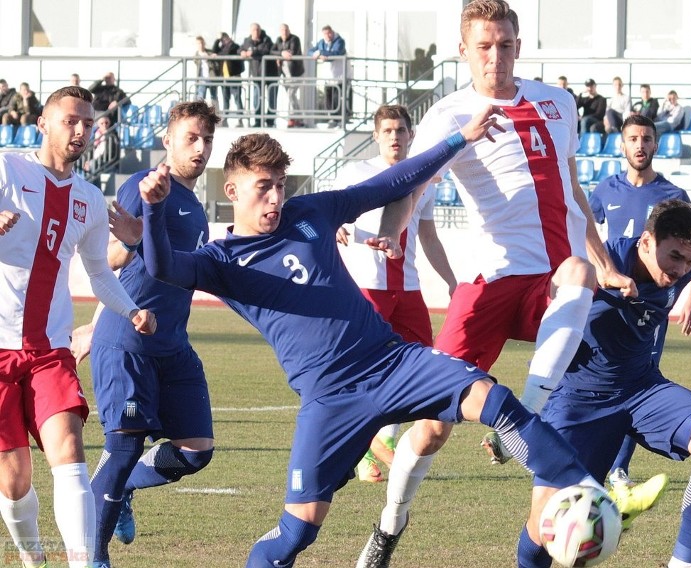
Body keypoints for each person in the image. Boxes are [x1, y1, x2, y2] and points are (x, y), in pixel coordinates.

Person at [139, 117, 611, 568]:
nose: (275, 198)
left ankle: (587, 490)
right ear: (233, 190)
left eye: (281, 184)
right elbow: (163, 267)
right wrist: (154, 209)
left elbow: (388, 186)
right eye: (263, 187)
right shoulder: (218, 261)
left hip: (391, 362)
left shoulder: (309, 213)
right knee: (298, 531)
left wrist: (458, 141)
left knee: (495, 399)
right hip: (329, 399)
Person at [356, 3, 639, 566]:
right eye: (484, 46)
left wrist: (603, 261)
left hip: (551, 283)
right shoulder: (449, 114)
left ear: (518, 44)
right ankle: (389, 525)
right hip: (486, 286)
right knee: (433, 430)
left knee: (580, 276)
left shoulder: (557, 104)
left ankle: (525, 415)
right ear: (464, 51)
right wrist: (391, 229)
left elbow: (572, 187)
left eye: (505, 44)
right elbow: (411, 185)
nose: (496, 56)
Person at [519, 199, 691, 568]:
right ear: (645, 241)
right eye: (674, 256)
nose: (681, 269)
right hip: (578, 401)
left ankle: (683, 564)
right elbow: (562, 278)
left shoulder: (686, 262)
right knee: (546, 527)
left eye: (689, 261)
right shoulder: (605, 260)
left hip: (643, 390)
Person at [0, 86, 155, 568]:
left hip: (51, 350)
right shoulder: (6, 168)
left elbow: (99, 274)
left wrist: (130, 309)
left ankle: (84, 564)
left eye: (88, 124)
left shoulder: (88, 198)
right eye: (70, 121)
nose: (81, 131)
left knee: (68, 449)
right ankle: (31, 555)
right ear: (42, 123)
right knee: (13, 477)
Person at [70, 101, 220, 568]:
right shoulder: (145, 185)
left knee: (196, 451)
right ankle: (92, 557)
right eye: (191, 137)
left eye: (207, 140)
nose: (200, 148)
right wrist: (132, 242)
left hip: (173, 343)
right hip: (131, 340)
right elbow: (110, 258)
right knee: (124, 446)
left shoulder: (195, 205)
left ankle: (128, 486)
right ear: (168, 140)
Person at [329, 104, 457, 483]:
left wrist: (451, 280)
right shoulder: (356, 173)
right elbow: (327, 211)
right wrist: (333, 223)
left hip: (409, 288)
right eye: (387, 130)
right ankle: (368, 450)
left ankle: (383, 443)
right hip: (368, 286)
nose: (395, 137)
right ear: (376, 135)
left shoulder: (421, 178)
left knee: (421, 369)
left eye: (401, 130)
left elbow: (429, 235)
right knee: (366, 371)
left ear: (410, 135)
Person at [588, 114, 691, 516]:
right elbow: (583, 232)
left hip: (652, 307)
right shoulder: (605, 190)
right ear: (622, 145)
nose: (640, 145)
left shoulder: (674, 193)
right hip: (611, 301)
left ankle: (618, 472)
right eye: (633, 138)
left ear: (656, 145)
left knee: (638, 378)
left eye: (648, 139)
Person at [308, 25, 349, 127]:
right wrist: (315, 53)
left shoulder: (339, 41)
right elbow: (310, 51)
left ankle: (339, 119)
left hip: (340, 75)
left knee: (338, 97)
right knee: (328, 97)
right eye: (325, 34)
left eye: (329, 33)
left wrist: (321, 52)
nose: (328, 36)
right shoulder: (322, 43)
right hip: (329, 76)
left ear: (332, 32)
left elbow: (336, 53)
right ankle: (331, 118)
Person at [240, 23, 277, 127]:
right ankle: (257, 121)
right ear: (250, 31)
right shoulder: (247, 40)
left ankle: (270, 121)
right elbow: (240, 49)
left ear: (260, 30)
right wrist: (242, 52)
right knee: (257, 98)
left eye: (257, 30)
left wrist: (253, 52)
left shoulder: (266, 39)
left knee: (271, 97)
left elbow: (266, 50)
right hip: (256, 74)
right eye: (254, 30)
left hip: (270, 73)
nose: (256, 32)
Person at [272, 23, 305, 128]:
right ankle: (299, 119)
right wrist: (281, 54)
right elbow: (272, 50)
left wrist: (281, 54)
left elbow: (292, 52)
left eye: (286, 30)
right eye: (282, 30)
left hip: (296, 73)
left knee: (291, 95)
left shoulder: (295, 39)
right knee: (292, 97)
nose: (284, 32)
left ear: (289, 30)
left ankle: (292, 119)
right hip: (285, 74)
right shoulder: (278, 40)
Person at [212, 32, 246, 127]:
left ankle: (240, 120)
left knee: (237, 98)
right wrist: (217, 40)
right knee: (225, 99)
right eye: (222, 39)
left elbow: (226, 53)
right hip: (224, 77)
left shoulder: (234, 46)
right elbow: (214, 51)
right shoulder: (222, 47)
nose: (224, 40)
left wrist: (218, 55)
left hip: (234, 76)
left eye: (225, 38)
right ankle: (225, 119)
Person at [195, 35, 221, 105]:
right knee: (201, 96)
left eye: (201, 43)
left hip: (211, 77)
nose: (200, 45)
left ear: (204, 43)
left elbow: (215, 60)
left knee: (214, 96)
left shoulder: (209, 52)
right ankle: (200, 113)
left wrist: (212, 57)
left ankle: (216, 112)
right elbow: (196, 61)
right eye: (198, 43)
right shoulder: (197, 54)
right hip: (202, 78)